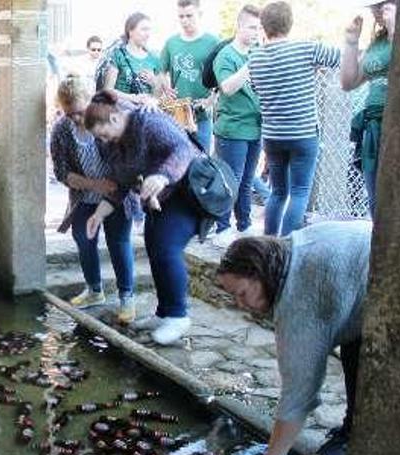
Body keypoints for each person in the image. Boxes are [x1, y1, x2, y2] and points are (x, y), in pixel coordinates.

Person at [216, 220, 373, 455]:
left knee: (364, 353)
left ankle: (357, 439)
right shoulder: (290, 250)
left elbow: (298, 395)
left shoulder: (299, 298)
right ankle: (353, 430)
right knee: (354, 346)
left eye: (242, 293)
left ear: (258, 273)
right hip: (368, 273)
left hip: (397, 286)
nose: (239, 304)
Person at [84, 90, 201, 345]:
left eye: (102, 133)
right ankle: (164, 313)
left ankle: (179, 317)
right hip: (159, 200)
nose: (101, 140)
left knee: (166, 248)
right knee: (154, 248)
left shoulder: (148, 122)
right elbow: (121, 182)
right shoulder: (114, 145)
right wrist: (98, 214)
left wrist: (162, 176)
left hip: (188, 191)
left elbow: (183, 149)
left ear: (114, 119)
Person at [50, 76, 138, 324]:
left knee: (118, 242)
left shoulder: (107, 118)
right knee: (83, 239)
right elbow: (61, 172)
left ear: (90, 101)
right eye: (70, 114)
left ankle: (126, 297)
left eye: (79, 112)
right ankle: (94, 290)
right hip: (84, 197)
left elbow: (135, 123)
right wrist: (94, 185)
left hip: (117, 195)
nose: (76, 119)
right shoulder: (61, 131)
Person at [249, 1, 340, 236]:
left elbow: (258, 90)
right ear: (290, 23)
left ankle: (268, 244)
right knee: (299, 192)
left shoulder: (255, 57)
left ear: (264, 26)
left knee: (278, 192)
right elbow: (339, 58)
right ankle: (287, 245)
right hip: (302, 134)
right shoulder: (305, 48)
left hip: (272, 136)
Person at [210, 5, 263, 246]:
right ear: (239, 26)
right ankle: (222, 227)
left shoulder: (259, 50)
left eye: (259, 28)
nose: (256, 32)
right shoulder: (226, 55)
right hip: (232, 129)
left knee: (247, 180)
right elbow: (228, 87)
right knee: (229, 179)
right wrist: (250, 63)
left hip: (255, 128)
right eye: (252, 27)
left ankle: (244, 224)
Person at [341, 1, 397, 217]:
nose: (377, 12)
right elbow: (348, 82)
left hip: (397, 126)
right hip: (373, 127)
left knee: (391, 195)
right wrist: (352, 42)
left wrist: (395, 30)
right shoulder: (378, 43)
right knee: (375, 198)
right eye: (374, 8)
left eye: (382, 6)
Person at [159, 0, 220, 151]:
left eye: (189, 16)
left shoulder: (213, 42)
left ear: (200, 14)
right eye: (181, 16)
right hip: (177, 115)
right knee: (176, 162)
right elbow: (160, 72)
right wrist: (165, 87)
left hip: (202, 116)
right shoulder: (171, 43)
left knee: (202, 161)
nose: (185, 21)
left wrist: (211, 99)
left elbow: (222, 77)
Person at [103, 12, 162, 106]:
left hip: (147, 113)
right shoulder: (118, 55)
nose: (148, 34)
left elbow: (159, 96)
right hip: (122, 112)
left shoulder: (155, 59)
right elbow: (107, 90)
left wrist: (154, 82)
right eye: (144, 29)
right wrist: (133, 98)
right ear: (130, 31)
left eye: (149, 30)